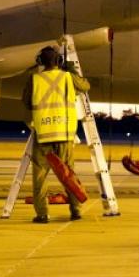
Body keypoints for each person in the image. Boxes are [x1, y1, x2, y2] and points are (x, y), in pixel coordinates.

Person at [22, 45, 89, 223]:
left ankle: (42, 214)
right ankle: (76, 211)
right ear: (58, 61)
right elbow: (85, 86)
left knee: (40, 178)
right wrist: (71, 68)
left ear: (40, 62)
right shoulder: (67, 77)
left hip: (43, 135)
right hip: (65, 134)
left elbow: (27, 103)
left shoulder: (34, 79)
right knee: (68, 175)